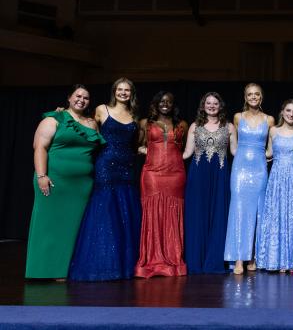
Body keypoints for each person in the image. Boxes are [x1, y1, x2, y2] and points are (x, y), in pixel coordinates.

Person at [26, 84, 104, 279]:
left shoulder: (92, 123)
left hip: (81, 186)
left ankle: (63, 271)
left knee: (71, 228)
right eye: (78, 96)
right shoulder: (55, 118)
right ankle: (41, 270)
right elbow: (40, 148)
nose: (81, 100)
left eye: (86, 98)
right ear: (69, 98)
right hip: (54, 181)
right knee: (48, 225)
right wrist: (42, 175)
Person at [69, 78, 142, 281]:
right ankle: (102, 265)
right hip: (106, 165)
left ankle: (125, 265)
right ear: (114, 91)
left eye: (127, 90)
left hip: (127, 167)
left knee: (125, 212)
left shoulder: (135, 116)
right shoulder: (102, 109)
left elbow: (135, 145)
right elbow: (87, 127)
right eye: (120, 89)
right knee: (105, 212)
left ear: (131, 94)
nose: (123, 93)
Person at [134, 91, 188, 278]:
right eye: (162, 101)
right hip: (152, 174)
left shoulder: (182, 124)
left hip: (175, 174)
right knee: (153, 214)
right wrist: (145, 150)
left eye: (169, 102)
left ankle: (173, 261)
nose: (165, 104)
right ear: (156, 104)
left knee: (173, 215)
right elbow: (136, 145)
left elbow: (182, 148)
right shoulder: (145, 123)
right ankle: (151, 261)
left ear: (173, 105)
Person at [182, 92, 236, 274]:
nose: (212, 106)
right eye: (208, 103)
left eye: (215, 103)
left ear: (220, 106)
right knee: (198, 215)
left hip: (220, 176)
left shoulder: (228, 127)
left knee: (219, 214)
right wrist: (161, 155)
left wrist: (259, 153)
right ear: (203, 105)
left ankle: (214, 259)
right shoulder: (195, 126)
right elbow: (187, 153)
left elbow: (235, 151)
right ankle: (196, 260)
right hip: (198, 176)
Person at [225, 83, 274, 274]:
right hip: (240, 169)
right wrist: (244, 157)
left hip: (260, 169)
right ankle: (238, 258)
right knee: (238, 210)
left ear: (261, 97)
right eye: (250, 94)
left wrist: (265, 156)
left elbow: (270, 147)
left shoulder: (269, 119)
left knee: (257, 211)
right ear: (245, 97)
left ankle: (252, 256)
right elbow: (234, 147)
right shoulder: (238, 117)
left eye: (257, 94)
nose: (253, 97)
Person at [256, 99, 293, 272]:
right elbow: (269, 153)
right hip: (277, 179)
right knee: (276, 215)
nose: (291, 114)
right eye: (288, 110)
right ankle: (277, 261)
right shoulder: (273, 131)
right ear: (282, 112)